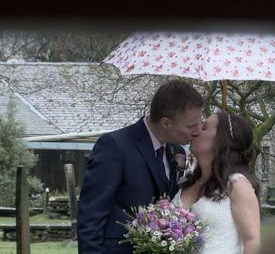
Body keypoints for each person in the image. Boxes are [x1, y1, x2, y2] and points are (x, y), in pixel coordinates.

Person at [77, 80, 205, 254]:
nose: (197, 131)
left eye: (199, 123)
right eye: (191, 126)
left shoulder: (176, 150)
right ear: (165, 123)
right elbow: (90, 218)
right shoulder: (114, 146)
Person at [172, 111, 262, 254]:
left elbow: (252, 240)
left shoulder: (236, 184)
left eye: (204, 128)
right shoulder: (187, 183)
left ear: (221, 139)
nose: (195, 132)